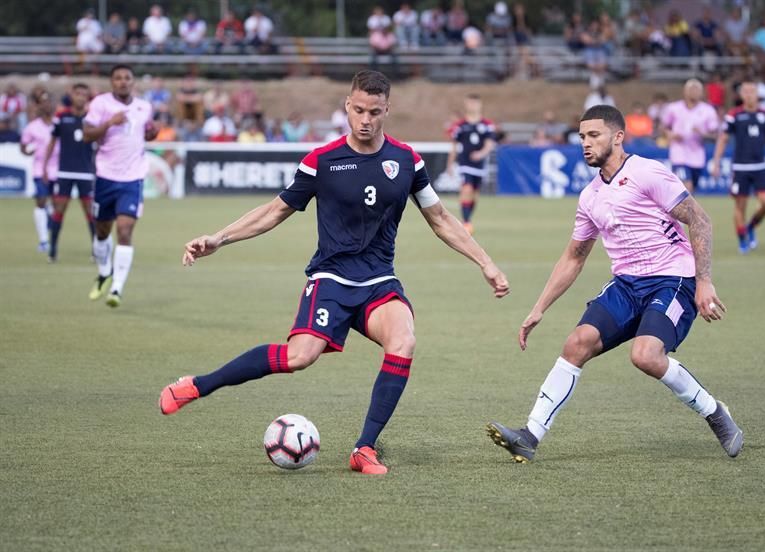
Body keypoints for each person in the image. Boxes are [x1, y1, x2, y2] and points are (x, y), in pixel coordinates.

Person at [159, 70, 510, 476]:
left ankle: (364, 449)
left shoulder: (406, 160)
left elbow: (441, 218)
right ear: (347, 105)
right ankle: (198, 384)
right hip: (331, 280)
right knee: (298, 357)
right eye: (358, 110)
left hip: (378, 280)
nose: (365, 120)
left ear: (386, 110)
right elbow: (274, 211)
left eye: (375, 112)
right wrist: (219, 238)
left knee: (404, 340)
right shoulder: (321, 162)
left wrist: (485, 261)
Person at [487, 104, 743, 465]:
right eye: (581, 137)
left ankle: (715, 412)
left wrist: (704, 282)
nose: (585, 144)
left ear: (618, 137)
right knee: (577, 343)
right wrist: (538, 308)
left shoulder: (647, 172)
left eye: (594, 135)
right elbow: (574, 256)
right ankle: (529, 436)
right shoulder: (590, 196)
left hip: (673, 280)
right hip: (626, 285)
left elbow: (700, 221)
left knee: (645, 356)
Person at [83, 64, 157, 307]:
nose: (123, 82)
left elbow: (144, 135)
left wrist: (152, 133)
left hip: (133, 178)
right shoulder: (100, 104)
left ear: (133, 82)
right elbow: (87, 135)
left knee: (124, 231)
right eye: (118, 78)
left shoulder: (144, 107)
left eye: (127, 78)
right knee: (102, 231)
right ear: (111, 82)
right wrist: (109, 123)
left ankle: (116, 289)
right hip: (105, 176)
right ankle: (104, 272)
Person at [710, 81, 765, 255]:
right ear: (741, 95)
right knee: (740, 205)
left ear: (757, 94)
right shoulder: (734, 115)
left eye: (752, 91)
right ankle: (742, 240)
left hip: (760, 167)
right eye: (746, 91)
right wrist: (716, 162)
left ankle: (751, 226)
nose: (749, 94)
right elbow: (723, 139)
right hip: (740, 167)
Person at [43, 83, 95, 263]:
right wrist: (44, 167)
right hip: (65, 171)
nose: (80, 97)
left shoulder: (92, 117)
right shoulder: (61, 116)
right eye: (77, 93)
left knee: (90, 212)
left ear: (88, 97)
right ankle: (52, 250)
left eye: (84, 94)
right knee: (59, 211)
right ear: (71, 96)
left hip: (86, 172)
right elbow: (52, 142)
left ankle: (96, 251)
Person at [447, 94, 496, 234]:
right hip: (465, 164)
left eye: (475, 103)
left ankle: (468, 219)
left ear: (480, 105)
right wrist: (450, 164)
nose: (472, 106)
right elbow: (454, 146)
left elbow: (489, 144)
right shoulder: (460, 126)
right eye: (470, 103)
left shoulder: (487, 125)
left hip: (480, 165)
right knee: (467, 189)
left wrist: (481, 153)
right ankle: (466, 222)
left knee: (474, 194)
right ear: (466, 105)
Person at [661, 79, 719, 193]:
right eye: (691, 89)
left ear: (702, 92)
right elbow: (663, 127)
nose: (694, 92)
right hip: (679, 155)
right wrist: (671, 134)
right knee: (686, 188)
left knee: (690, 194)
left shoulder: (708, 110)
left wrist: (702, 133)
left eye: (697, 89)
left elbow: (715, 135)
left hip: (697, 157)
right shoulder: (674, 108)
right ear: (685, 91)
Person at [20, 91, 59, 253]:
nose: (46, 105)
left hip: (59, 170)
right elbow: (23, 145)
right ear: (39, 106)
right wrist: (28, 151)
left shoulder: (59, 123)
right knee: (41, 201)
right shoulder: (32, 126)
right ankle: (43, 241)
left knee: (57, 205)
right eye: (43, 102)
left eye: (49, 101)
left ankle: (49, 216)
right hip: (39, 170)